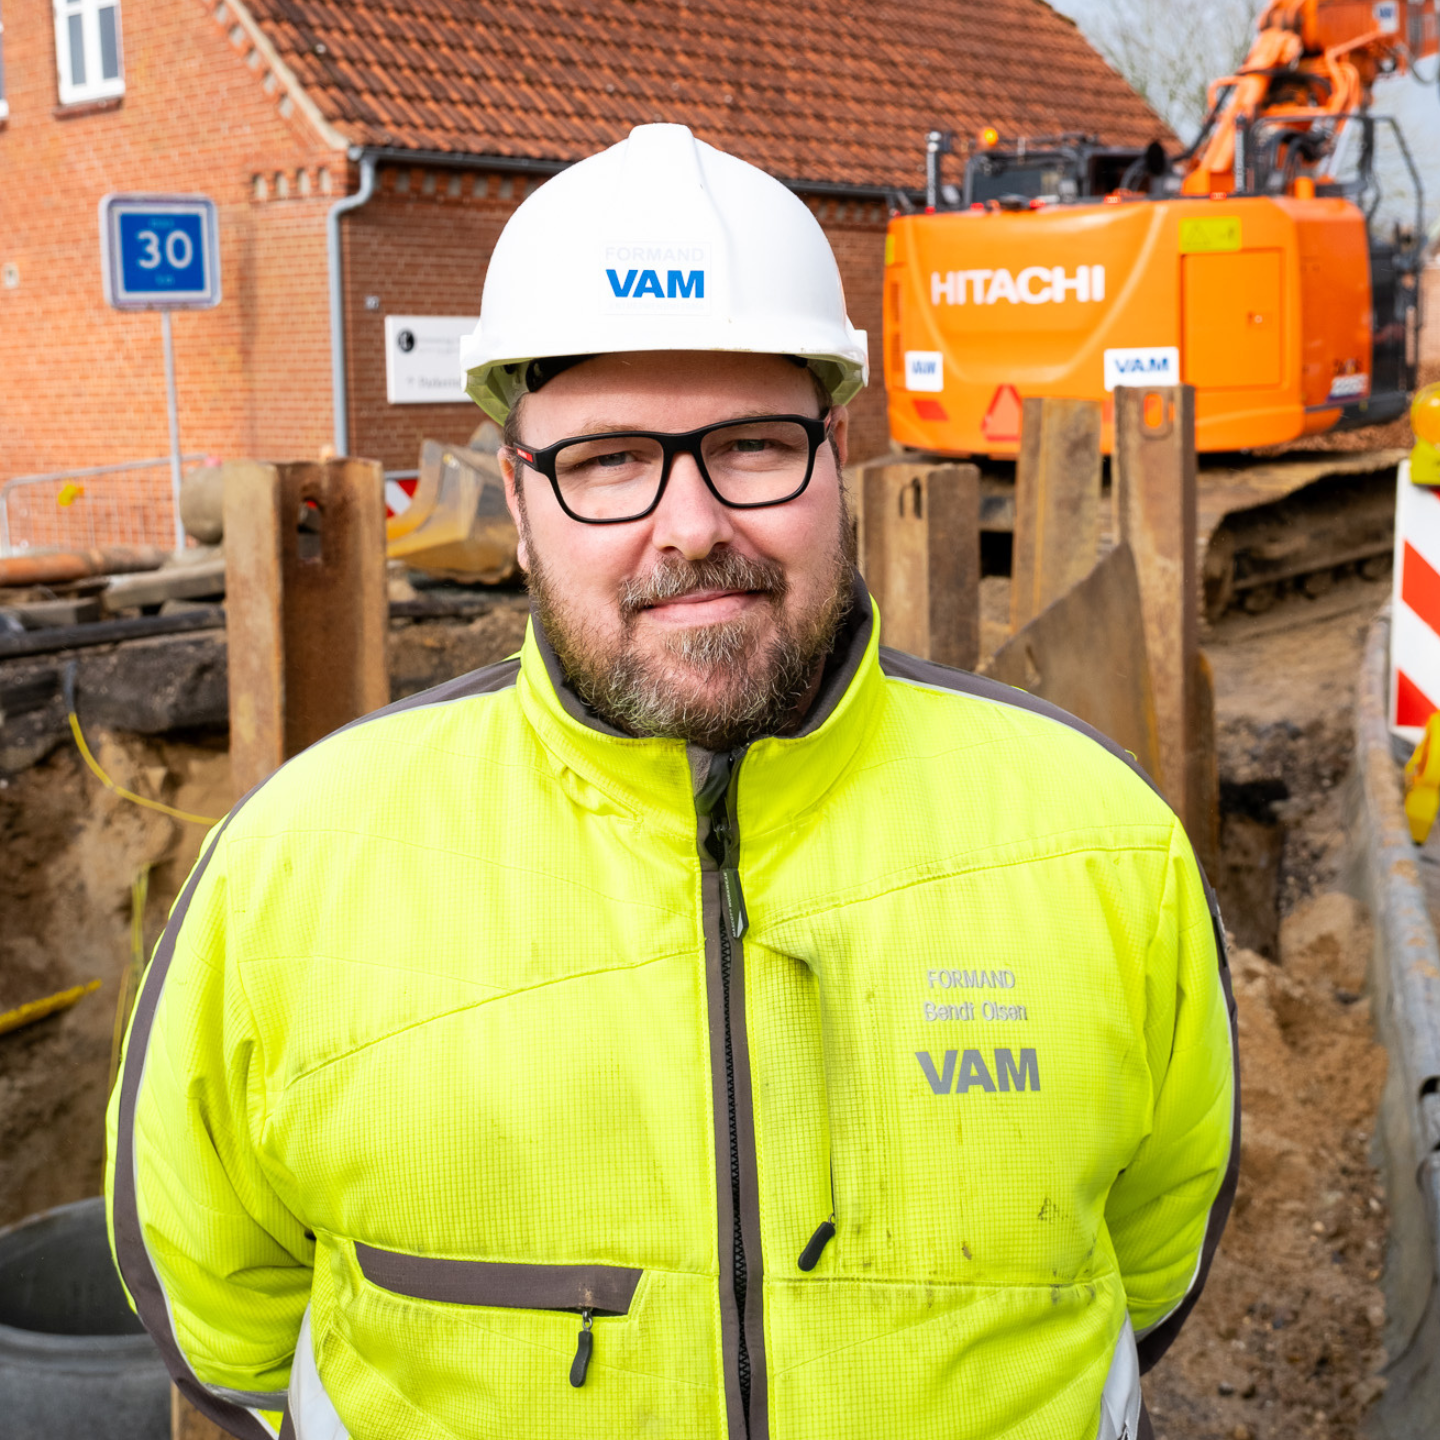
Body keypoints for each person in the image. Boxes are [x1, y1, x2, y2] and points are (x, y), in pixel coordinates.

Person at [107, 124, 1237, 1440]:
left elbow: (1151, 1266)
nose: (692, 526)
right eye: (607, 463)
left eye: (754, 444)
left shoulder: (1096, 842)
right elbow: (223, 1315)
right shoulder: (299, 867)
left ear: (835, 459)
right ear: (516, 504)